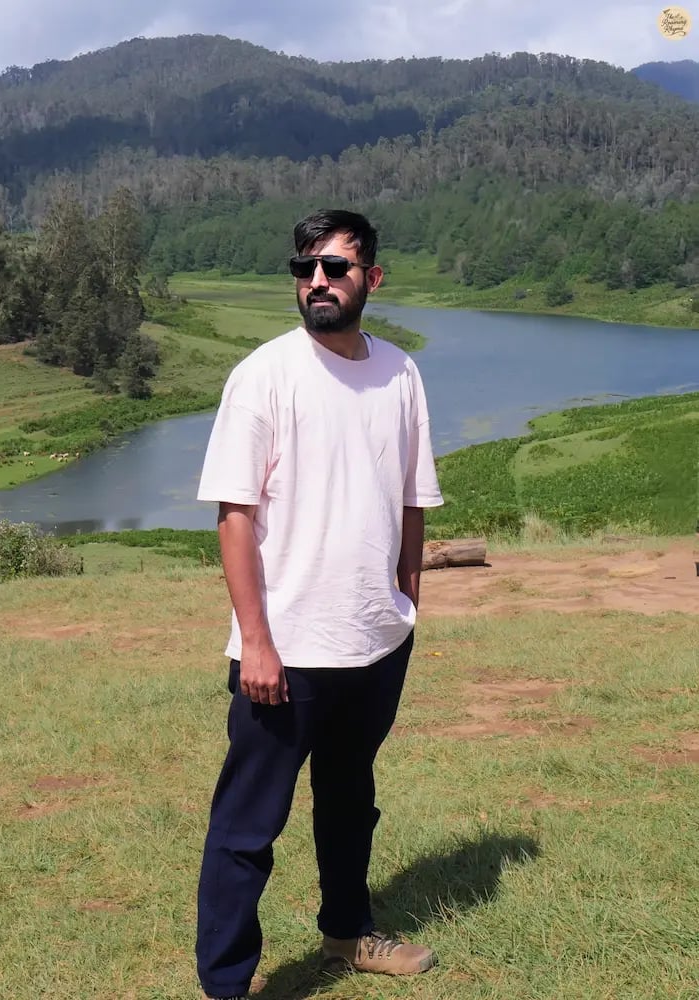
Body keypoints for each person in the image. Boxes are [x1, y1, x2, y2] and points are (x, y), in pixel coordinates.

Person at [195, 208, 444, 1000]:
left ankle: (346, 932)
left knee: (349, 799)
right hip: (288, 650)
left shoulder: (399, 372)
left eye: (334, 269)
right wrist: (256, 642)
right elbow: (234, 516)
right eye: (303, 269)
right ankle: (226, 985)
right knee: (247, 828)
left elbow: (411, 497)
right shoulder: (264, 376)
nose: (316, 283)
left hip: (373, 642)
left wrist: (407, 597)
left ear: (371, 278)